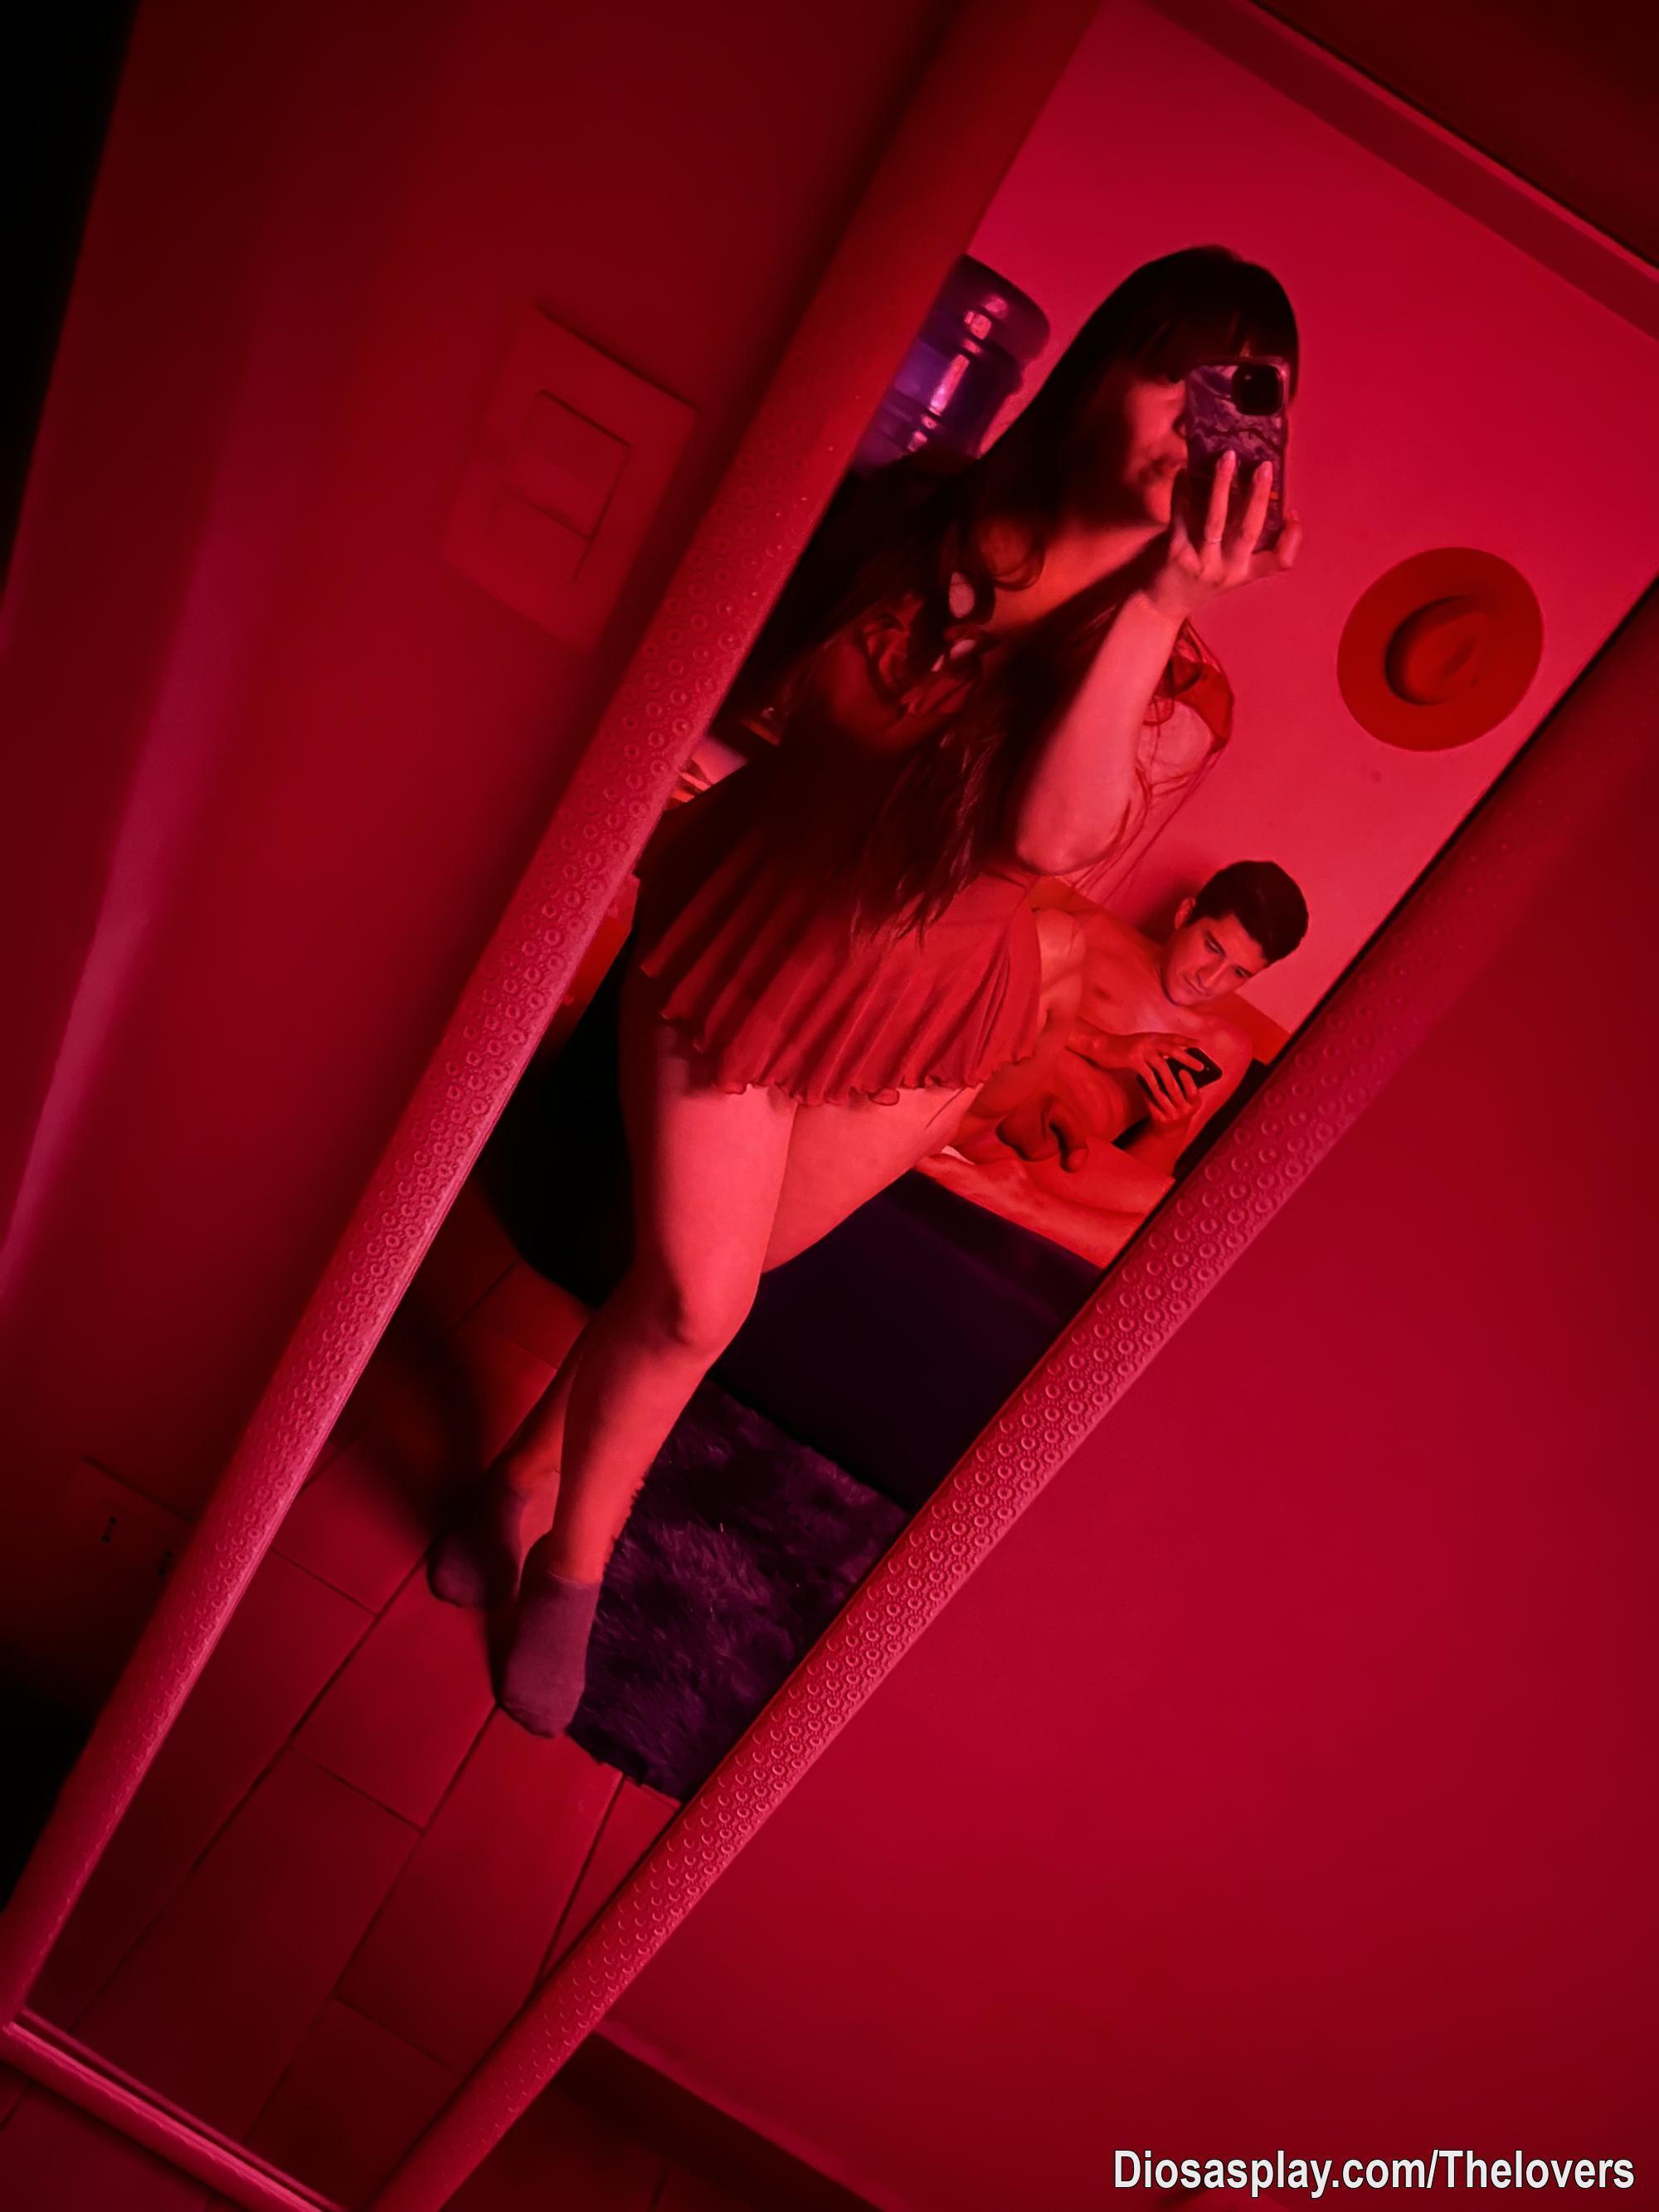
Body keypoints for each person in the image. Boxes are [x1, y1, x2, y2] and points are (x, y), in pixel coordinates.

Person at [429, 246, 1305, 1735]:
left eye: (1245, 394)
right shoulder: (918, 512)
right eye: (1178, 372)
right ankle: (575, 1566)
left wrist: (1161, 599)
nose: (1197, 419)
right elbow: (742, 678)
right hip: (759, 928)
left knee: (696, 1297)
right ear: (1105, 367)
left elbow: (1050, 840)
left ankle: (520, 1478)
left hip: (930, 1018)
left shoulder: (1165, 667)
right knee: (696, 1298)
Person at [929, 861, 1310, 1262]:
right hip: (995, 1093)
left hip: (1065, 1157)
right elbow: (991, 1003)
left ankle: (1016, 1201)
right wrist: (1102, 1045)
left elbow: (1140, 1172)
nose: (1209, 979)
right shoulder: (1092, 934)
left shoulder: (1226, 1047)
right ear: (1185, 915)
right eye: (1212, 947)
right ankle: (1006, 1182)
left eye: (1238, 972)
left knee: (1192, 1226)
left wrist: (1168, 1132)